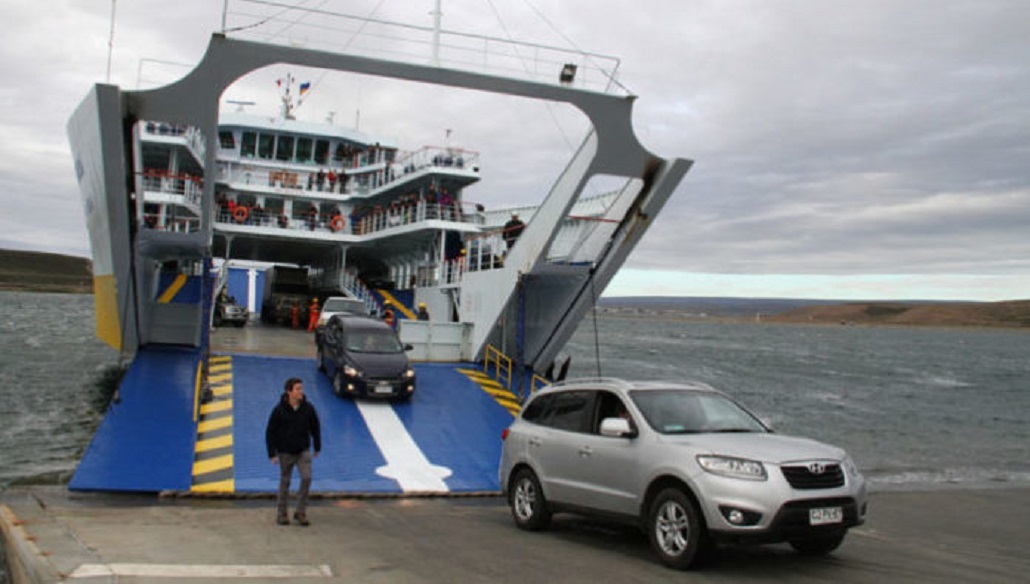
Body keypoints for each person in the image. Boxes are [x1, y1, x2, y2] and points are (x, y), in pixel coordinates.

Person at [265, 377, 321, 526]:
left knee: (307, 477)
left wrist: (317, 446)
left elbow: (315, 427)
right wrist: (272, 453)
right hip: (285, 451)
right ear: (289, 392)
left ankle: (300, 512)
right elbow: (270, 432)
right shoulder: (279, 410)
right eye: (297, 389)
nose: (301, 392)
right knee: (285, 481)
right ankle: (282, 514)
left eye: (301, 389)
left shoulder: (308, 408)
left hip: (303, 450)